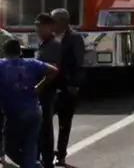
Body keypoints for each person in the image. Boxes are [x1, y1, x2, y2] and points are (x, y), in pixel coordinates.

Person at [0, 37, 58, 168]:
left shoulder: (1, 65)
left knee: (9, 147)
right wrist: (40, 86)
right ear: (20, 52)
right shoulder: (31, 63)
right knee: (30, 147)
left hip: (14, 113)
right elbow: (53, 70)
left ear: (4, 51)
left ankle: (33, 166)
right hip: (34, 111)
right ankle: (32, 165)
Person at [49, 9, 84, 165]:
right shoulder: (49, 38)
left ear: (63, 21)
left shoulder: (75, 38)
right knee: (45, 121)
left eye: (53, 21)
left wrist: (74, 85)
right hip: (50, 87)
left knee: (64, 124)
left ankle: (61, 154)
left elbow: (78, 62)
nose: (51, 25)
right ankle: (47, 152)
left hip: (67, 88)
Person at [33, 14, 60, 168]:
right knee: (39, 127)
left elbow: (54, 70)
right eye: (36, 26)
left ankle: (48, 161)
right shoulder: (43, 45)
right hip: (41, 92)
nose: (37, 29)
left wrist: (40, 86)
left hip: (47, 92)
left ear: (50, 27)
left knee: (45, 128)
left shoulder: (53, 45)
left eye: (41, 26)